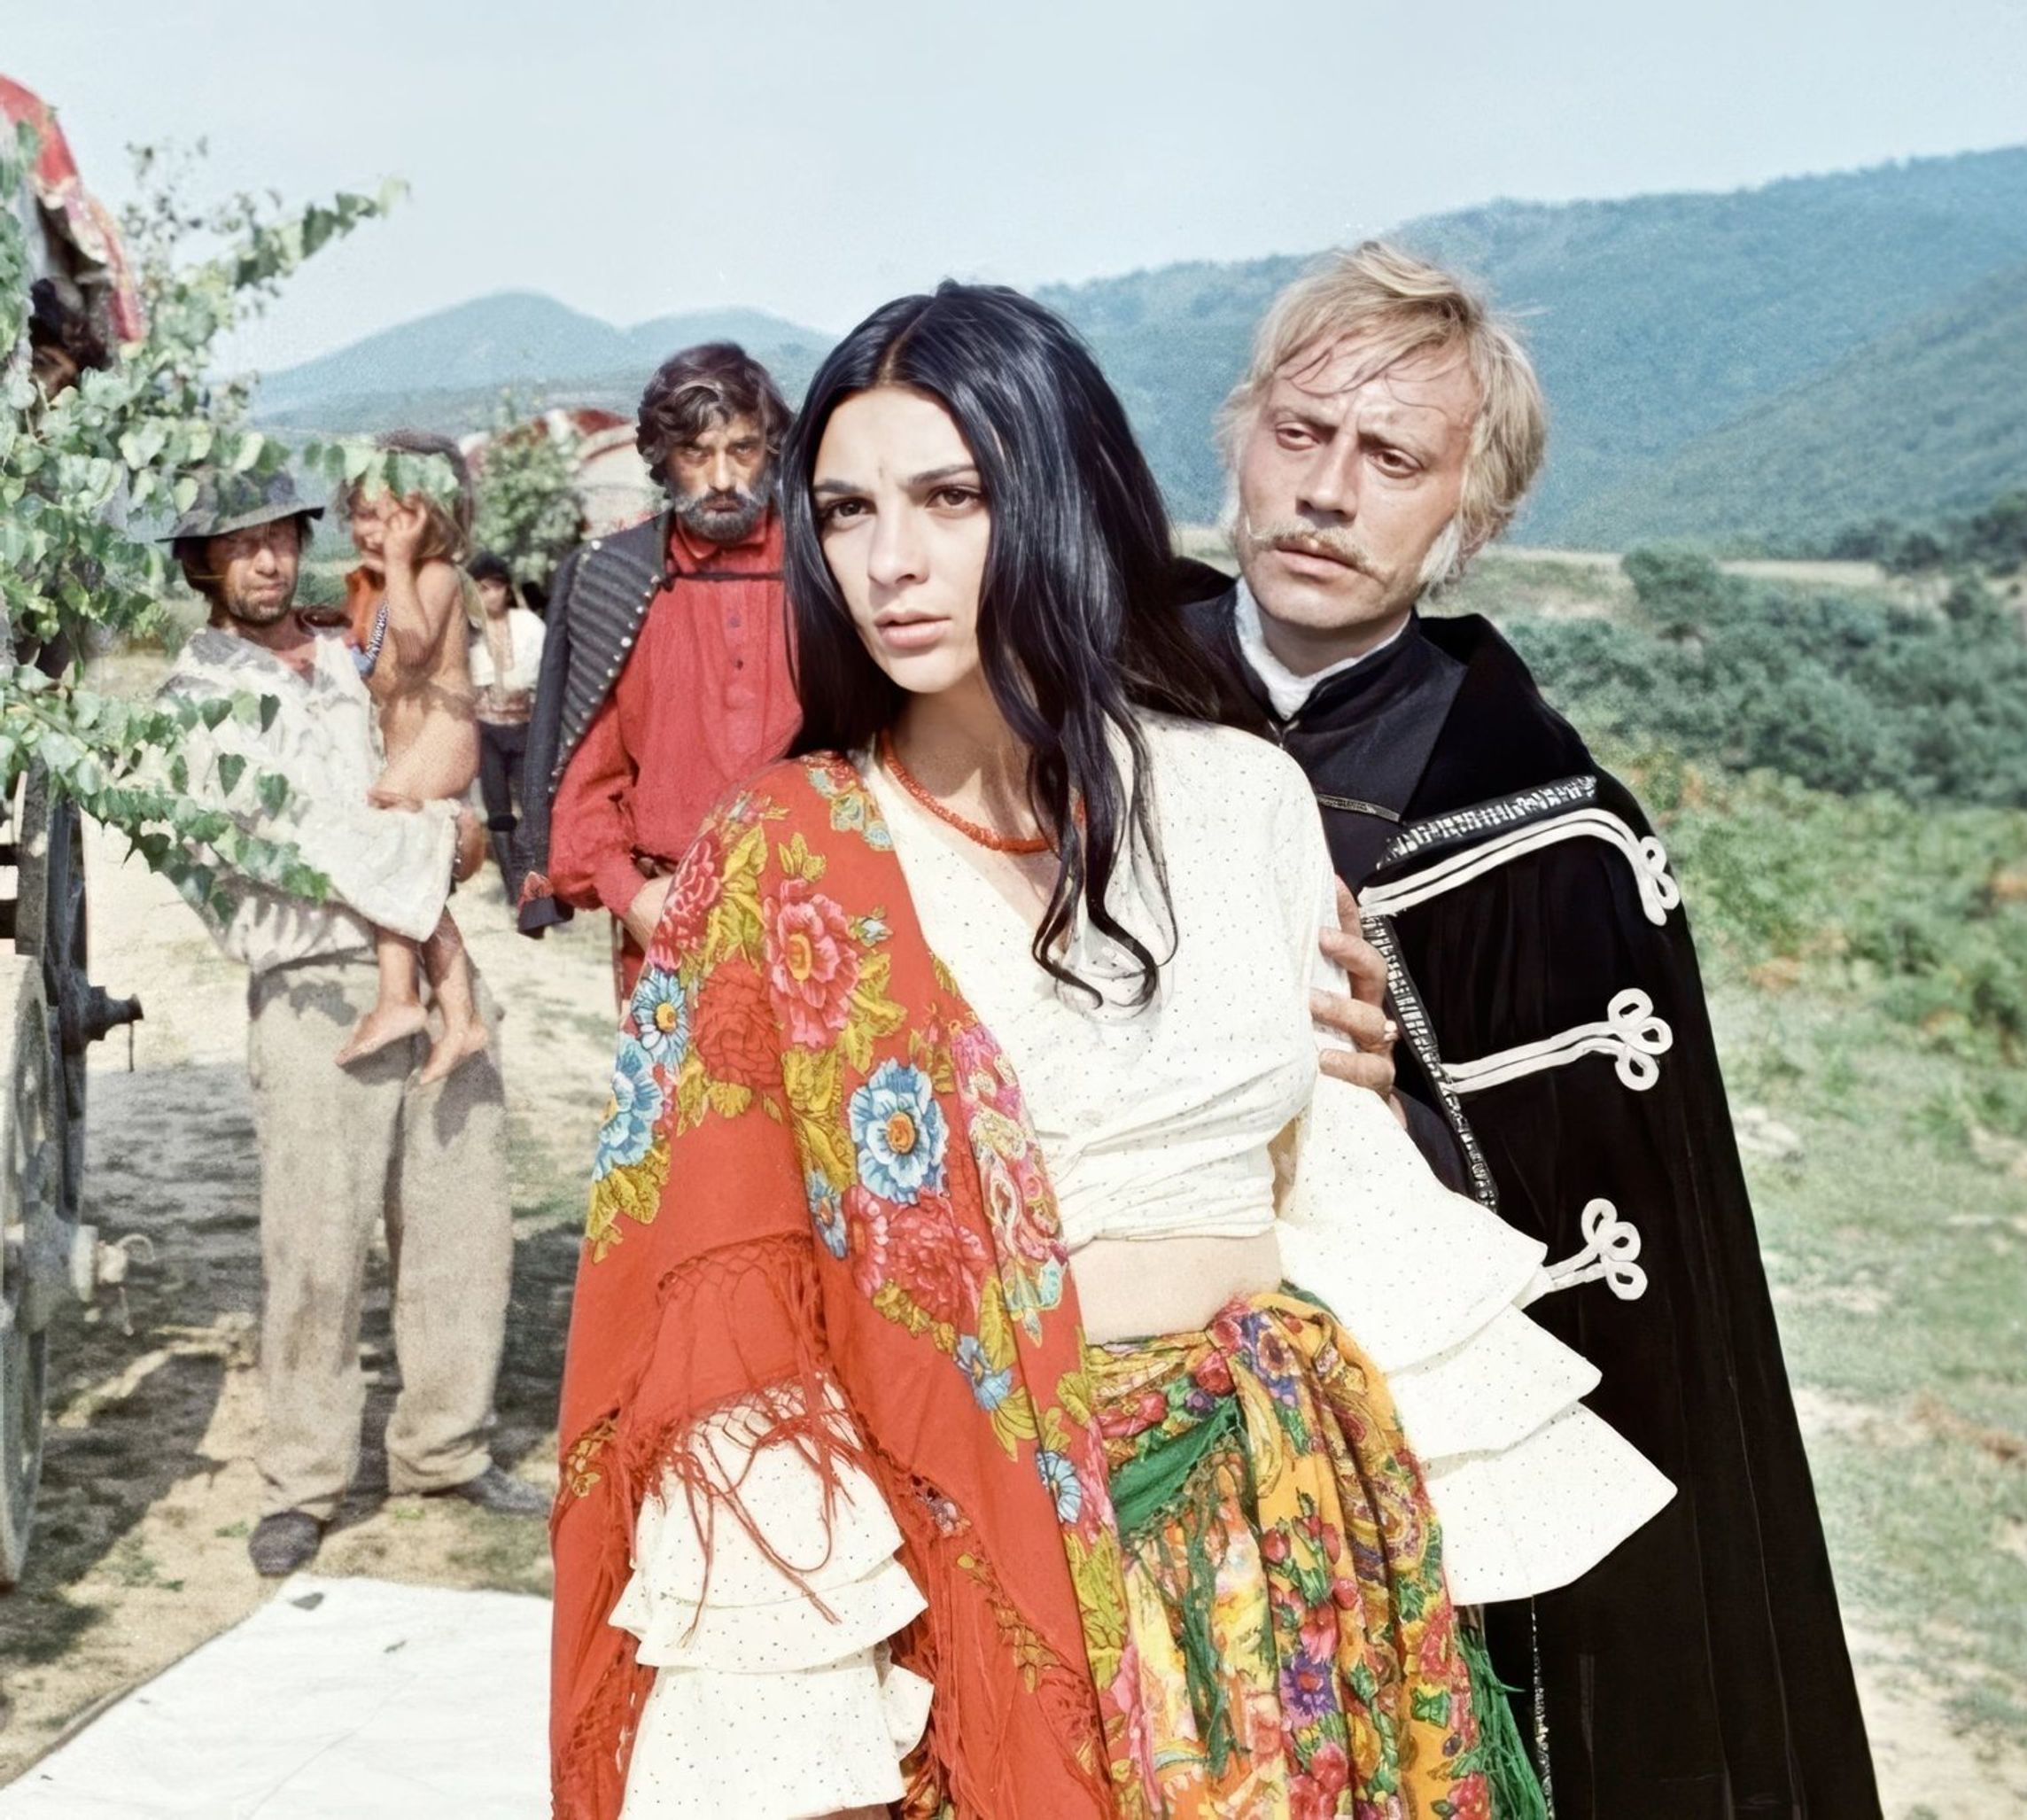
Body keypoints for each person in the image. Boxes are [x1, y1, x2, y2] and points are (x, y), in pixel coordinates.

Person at [549, 284, 1673, 1820]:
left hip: (1289, 1549)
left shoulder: (1242, 796)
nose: (889, 560)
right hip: (983, 1557)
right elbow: (737, 1307)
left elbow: (1339, 1192)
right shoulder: (788, 855)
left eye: (952, 497)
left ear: (1063, 493)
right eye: (849, 508)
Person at [1181, 242, 1882, 1816]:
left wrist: (1403, 1111)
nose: (1327, 492)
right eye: (1301, 434)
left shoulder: (1548, 836)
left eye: (1393, 459)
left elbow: (1614, 1247)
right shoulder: (1074, 706)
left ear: (1471, 516)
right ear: (1238, 437)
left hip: (1396, 1478)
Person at [154, 470, 546, 1580]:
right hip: (313, 984)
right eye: (242, 545)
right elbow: (283, 843)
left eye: (281, 538)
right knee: (316, 1249)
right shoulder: (195, 695)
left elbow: (430, 756)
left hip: (420, 950)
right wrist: (431, 842)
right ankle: (303, 1481)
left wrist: (452, 825)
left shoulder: (341, 655)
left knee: (462, 1225)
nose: (268, 561)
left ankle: (444, 1447)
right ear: (204, 564)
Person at [516, 344, 804, 1003]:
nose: (723, 478)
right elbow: (588, 778)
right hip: (667, 915)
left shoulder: (829, 573)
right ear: (662, 459)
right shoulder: (617, 580)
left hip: (820, 915)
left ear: (771, 450)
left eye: (743, 449)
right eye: (696, 453)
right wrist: (631, 895)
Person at [334, 430, 489, 1082]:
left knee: (389, 845)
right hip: (411, 742)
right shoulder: (376, 586)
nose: (375, 532)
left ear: (433, 517)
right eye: (363, 515)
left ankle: (399, 999)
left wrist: (398, 562)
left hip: (443, 735)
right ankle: (462, 1020)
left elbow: (419, 646)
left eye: (393, 519)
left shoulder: (437, 575)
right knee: (415, 877)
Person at [466, 549, 548, 902]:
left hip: (524, 729)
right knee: (498, 812)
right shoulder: (467, 633)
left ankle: (539, 886)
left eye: (496, 587)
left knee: (533, 809)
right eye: (481, 589)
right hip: (487, 732)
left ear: (506, 589)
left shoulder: (530, 626)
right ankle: (514, 890)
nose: (490, 596)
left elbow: (546, 676)